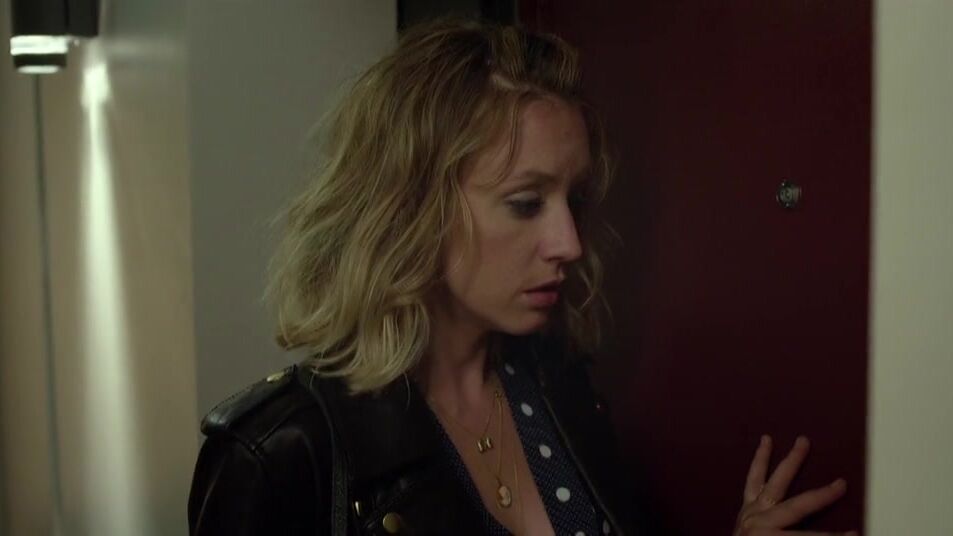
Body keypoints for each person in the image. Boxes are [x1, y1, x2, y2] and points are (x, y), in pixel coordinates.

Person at [187, 17, 855, 536]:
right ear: (412, 207)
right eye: (527, 203)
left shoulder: (562, 393)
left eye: (574, 200)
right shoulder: (281, 452)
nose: (569, 243)